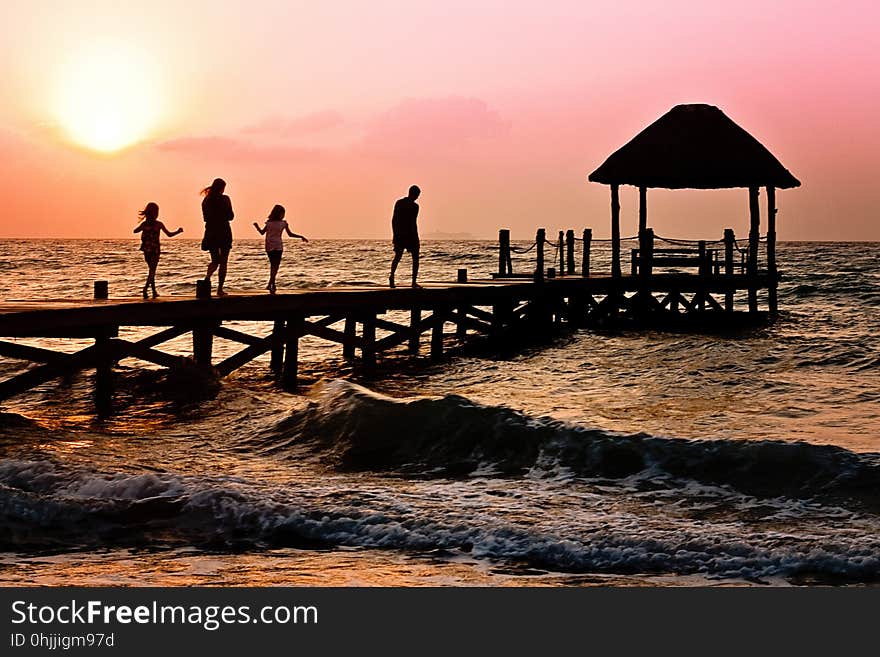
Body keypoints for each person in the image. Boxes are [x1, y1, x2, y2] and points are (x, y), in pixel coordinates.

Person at [253, 204, 308, 294]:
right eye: (283, 213)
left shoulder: (269, 223)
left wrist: (257, 227)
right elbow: (290, 234)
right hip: (278, 246)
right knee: (276, 265)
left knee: (273, 265)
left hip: (269, 245)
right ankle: (271, 283)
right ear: (279, 214)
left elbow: (262, 233)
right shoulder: (282, 223)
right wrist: (301, 236)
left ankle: (271, 283)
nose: (283, 215)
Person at [133, 202, 183, 299]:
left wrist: (143, 229)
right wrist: (178, 231)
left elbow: (135, 231)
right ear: (155, 213)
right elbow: (169, 234)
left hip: (146, 249)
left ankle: (153, 291)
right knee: (152, 270)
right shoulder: (158, 224)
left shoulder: (144, 224)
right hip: (155, 250)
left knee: (152, 270)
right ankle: (145, 289)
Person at [200, 178, 234, 296]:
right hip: (224, 230)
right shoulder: (225, 199)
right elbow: (231, 216)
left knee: (215, 260)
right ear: (222, 188)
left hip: (211, 231)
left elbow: (205, 218)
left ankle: (207, 278)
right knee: (223, 261)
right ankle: (219, 289)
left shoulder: (206, 200)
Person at [389, 185, 421, 288]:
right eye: (417, 195)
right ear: (413, 194)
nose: (417, 197)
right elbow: (395, 220)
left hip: (408, 234)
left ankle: (413, 281)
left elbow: (412, 222)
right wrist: (395, 235)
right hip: (403, 234)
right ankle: (393, 277)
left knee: (413, 257)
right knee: (399, 256)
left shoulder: (414, 206)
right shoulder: (402, 204)